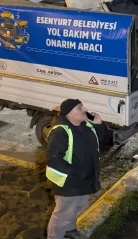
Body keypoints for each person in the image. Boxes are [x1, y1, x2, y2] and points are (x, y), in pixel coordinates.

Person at [46, 99, 109, 239]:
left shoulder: (86, 125)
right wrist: (75, 173)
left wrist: (98, 125)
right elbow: (53, 159)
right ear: (69, 114)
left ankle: (70, 229)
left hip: (85, 179)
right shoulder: (60, 132)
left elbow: (104, 140)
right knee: (62, 215)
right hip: (70, 182)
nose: (85, 109)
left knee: (77, 207)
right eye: (79, 108)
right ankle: (53, 236)